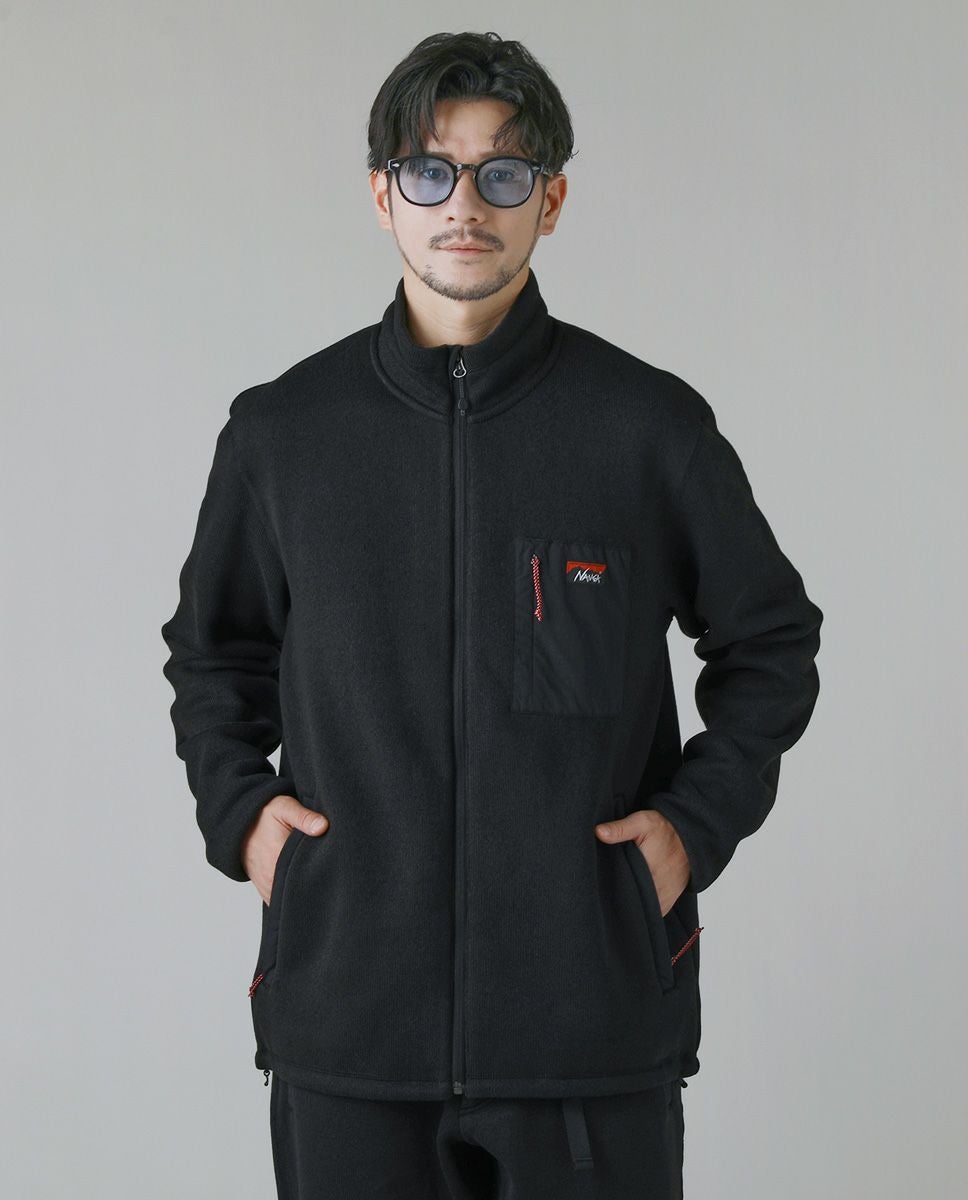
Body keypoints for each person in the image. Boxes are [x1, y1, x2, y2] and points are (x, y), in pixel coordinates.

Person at [160, 29, 823, 1200]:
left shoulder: (645, 428)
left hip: (589, 1030)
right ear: (383, 194)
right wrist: (245, 818)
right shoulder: (283, 435)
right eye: (431, 171)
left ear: (549, 201)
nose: (464, 204)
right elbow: (214, 657)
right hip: (349, 1026)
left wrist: (693, 827)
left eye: (501, 174)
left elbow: (769, 641)